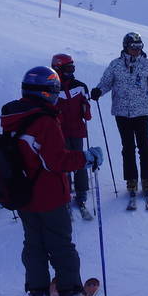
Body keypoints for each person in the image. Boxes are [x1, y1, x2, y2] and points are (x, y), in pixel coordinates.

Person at [0, 66, 103, 296]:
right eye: (55, 92)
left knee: (34, 248)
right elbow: (57, 161)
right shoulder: (43, 121)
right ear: (48, 93)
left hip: (24, 197)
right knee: (61, 248)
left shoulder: (13, 116)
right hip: (49, 197)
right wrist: (87, 157)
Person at [90, 32, 148, 203]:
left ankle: (147, 179)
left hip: (142, 112)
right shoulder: (115, 65)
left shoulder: (147, 65)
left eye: (140, 47)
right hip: (121, 113)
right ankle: (131, 180)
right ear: (125, 47)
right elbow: (106, 82)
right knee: (127, 147)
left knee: (144, 146)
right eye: (134, 47)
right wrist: (99, 91)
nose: (137, 50)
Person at [51, 53, 92, 215]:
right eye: (67, 68)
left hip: (77, 130)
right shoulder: (51, 87)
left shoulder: (79, 85)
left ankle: (81, 193)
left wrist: (86, 110)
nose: (71, 72)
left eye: (72, 68)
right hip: (59, 132)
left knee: (80, 161)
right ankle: (65, 193)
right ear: (58, 69)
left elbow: (86, 105)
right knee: (64, 163)